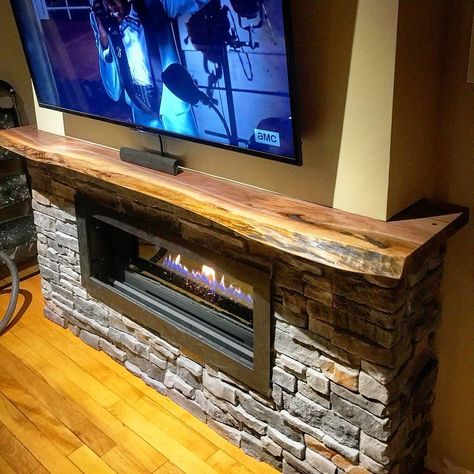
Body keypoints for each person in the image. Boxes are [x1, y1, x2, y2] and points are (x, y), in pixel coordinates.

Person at [90, 0, 210, 134]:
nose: (109, 5)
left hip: (173, 104)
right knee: (150, 154)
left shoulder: (156, 4)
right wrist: (104, 40)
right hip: (140, 108)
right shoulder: (101, 18)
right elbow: (113, 90)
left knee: (189, 152)